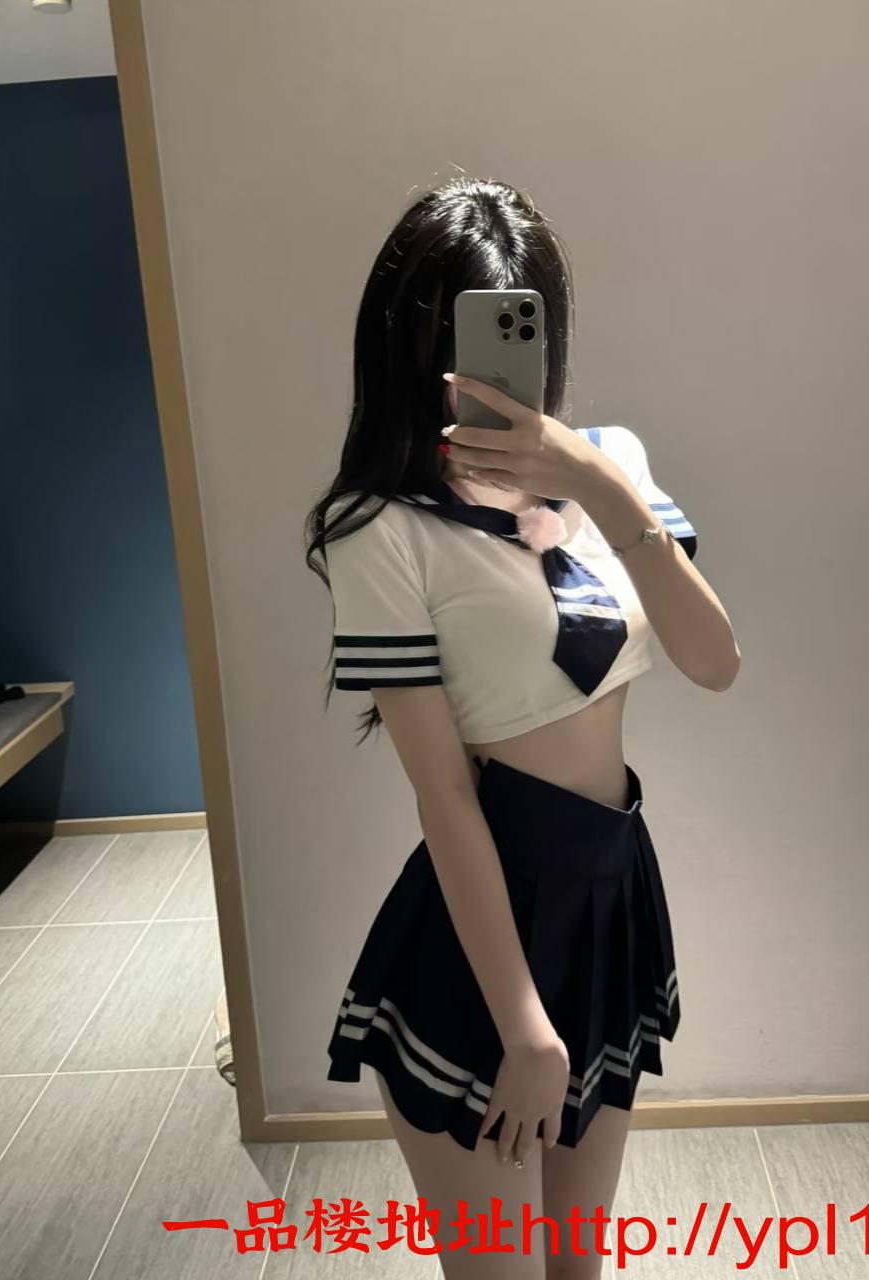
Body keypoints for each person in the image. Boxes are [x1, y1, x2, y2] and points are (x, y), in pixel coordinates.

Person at [305, 176, 740, 1279]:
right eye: (461, 341)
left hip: (612, 895)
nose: (499, 372)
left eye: (522, 329)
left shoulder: (612, 466)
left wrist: (595, 478)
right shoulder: (380, 530)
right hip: (487, 930)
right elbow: (444, 792)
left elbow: (715, 661)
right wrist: (523, 1025)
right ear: (412, 353)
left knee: (575, 1266)